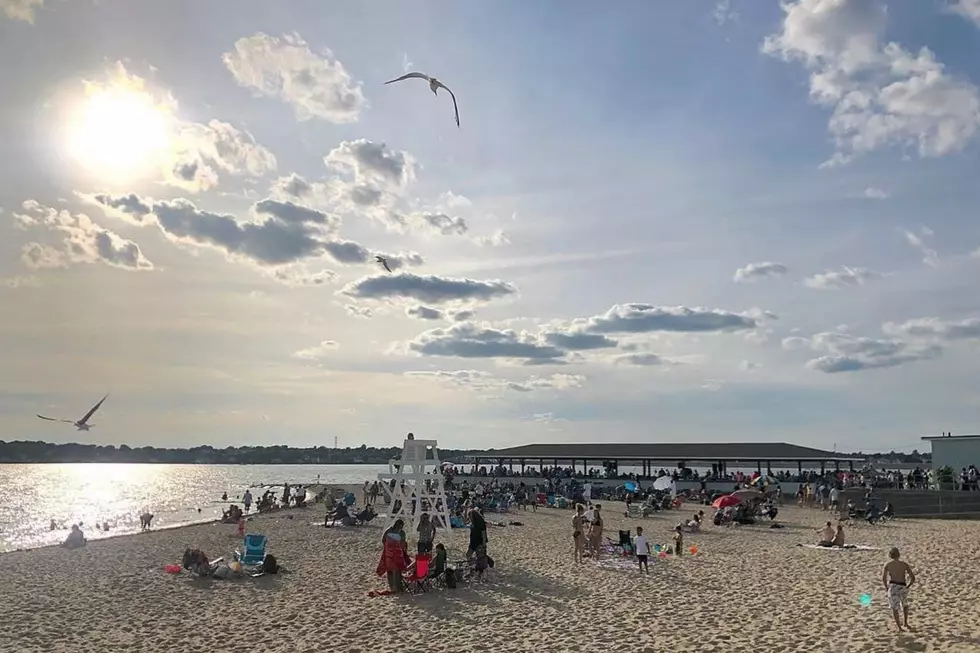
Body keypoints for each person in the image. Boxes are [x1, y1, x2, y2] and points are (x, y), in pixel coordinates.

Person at [882, 547, 916, 631]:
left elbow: (883, 578)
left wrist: (886, 587)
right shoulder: (904, 564)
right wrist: (908, 586)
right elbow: (912, 577)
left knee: (895, 607)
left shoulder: (888, 565)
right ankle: (905, 623)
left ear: (890, 555)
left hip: (893, 586)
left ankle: (899, 627)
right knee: (905, 605)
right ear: (899, 554)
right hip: (902, 585)